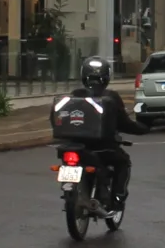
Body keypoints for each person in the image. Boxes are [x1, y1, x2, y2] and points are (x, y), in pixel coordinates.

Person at [54, 56, 142, 206]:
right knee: (123, 163)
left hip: (74, 146)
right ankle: (117, 198)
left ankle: (92, 188)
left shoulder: (75, 95)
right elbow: (124, 123)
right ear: (106, 77)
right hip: (103, 148)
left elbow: (57, 119)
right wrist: (143, 128)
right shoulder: (111, 97)